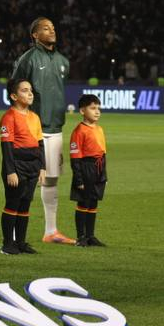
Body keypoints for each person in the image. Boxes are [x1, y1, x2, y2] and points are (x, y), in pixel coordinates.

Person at [10, 17, 73, 245]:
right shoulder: (27, 60)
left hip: (55, 128)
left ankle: (51, 231)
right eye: (46, 28)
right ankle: (14, 235)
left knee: (52, 180)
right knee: (25, 182)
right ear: (35, 35)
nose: (52, 31)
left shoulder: (63, 61)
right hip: (32, 130)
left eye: (53, 28)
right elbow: (14, 90)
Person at [0, 79, 45, 256]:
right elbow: (7, 146)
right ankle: (7, 244)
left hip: (33, 165)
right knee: (13, 203)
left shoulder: (35, 117)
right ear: (13, 96)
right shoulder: (8, 117)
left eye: (30, 90)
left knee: (25, 204)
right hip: (17, 165)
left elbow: (40, 144)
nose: (30, 93)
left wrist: (42, 167)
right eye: (25, 90)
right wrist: (11, 171)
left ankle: (20, 242)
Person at [69, 94, 107, 247]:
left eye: (98, 108)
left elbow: (103, 153)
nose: (97, 111)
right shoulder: (79, 131)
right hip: (86, 168)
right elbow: (75, 157)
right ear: (82, 111)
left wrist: (103, 174)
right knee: (83, 203)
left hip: (98, 168)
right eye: (93, 108)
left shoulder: (99, 129)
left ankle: (91, 236)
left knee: (93, 203)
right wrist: (79, 179)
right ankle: (81, 237)